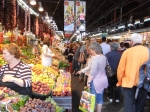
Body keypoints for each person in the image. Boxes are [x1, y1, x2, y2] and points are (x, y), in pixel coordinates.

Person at [117, 33, 149, 112]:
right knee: (140, 104)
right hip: (144, 81)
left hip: (128, 82)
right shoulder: (148, 51)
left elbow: (121, 69)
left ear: (131, 42)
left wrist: (120, 81)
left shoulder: (127, 52)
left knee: (129, 104)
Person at [87, 42, 108, 112]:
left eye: (91, 50)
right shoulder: (104, 56)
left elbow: (92, 72)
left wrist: (88, 82)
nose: (90, 52)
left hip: (96, 80)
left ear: (94, 50)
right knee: (100, 97)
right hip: (103, 79)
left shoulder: (95, 58)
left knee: (92, 98)